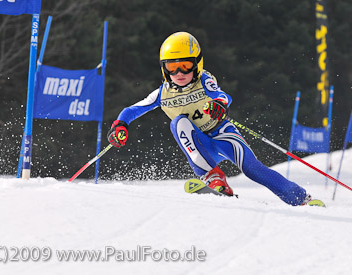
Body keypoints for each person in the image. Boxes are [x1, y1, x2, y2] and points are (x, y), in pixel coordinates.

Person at [107, 31, 321, 206]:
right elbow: (131, 110)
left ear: (197, 64)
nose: (180, 72)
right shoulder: (162, 93)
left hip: (223, 135)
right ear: (164, 69)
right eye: (172, 67)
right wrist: (120, 125)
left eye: (186, 65)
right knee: (178, 123)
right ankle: (213, 178)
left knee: (253, 170)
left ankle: (301, 199)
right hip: (200, 147)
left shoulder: (204, 80)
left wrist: (220, 105)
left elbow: (222, 95)